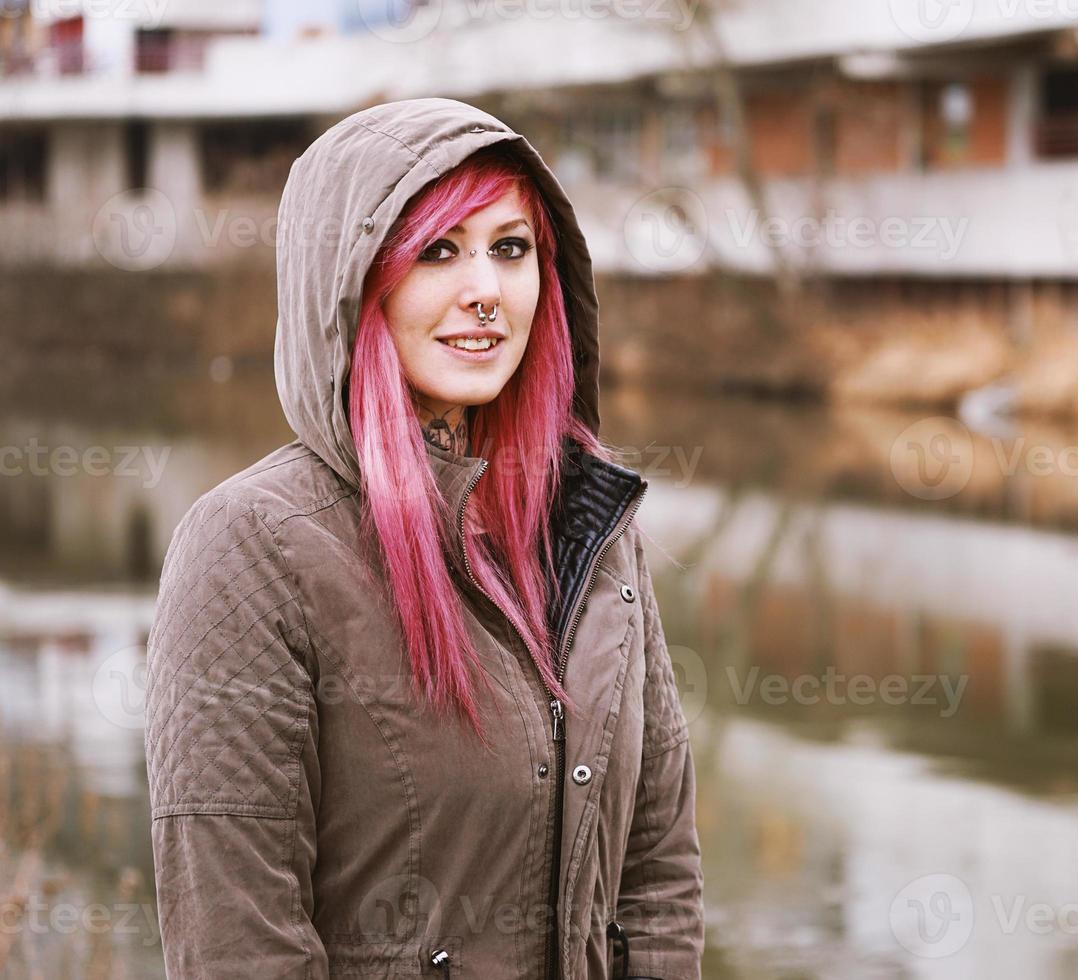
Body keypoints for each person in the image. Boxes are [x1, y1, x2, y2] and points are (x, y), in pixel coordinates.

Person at [143, 97, 703, 980]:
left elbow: (659, 875)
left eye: (510, 249)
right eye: (439, 250)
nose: (485, 289)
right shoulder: (254, 548)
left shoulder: (591, 528)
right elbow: (238, 945)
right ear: (353, 277)